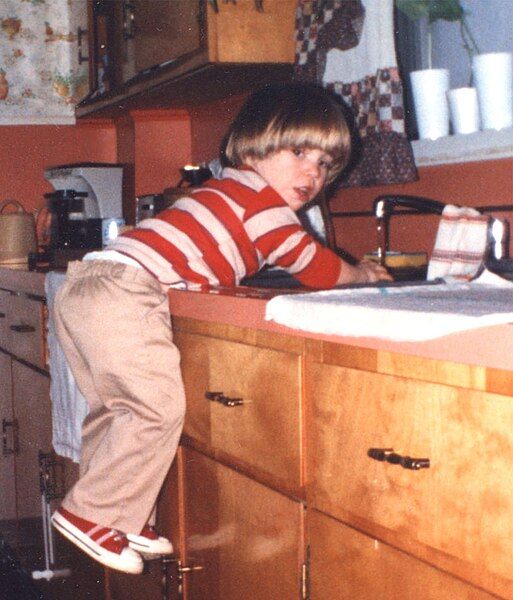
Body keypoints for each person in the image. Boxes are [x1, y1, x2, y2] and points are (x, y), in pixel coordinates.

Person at [50, 82, 391, 575]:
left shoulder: (231, 192)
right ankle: (88, 514)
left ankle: (120, 515)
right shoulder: (259, 198)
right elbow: (311, 266)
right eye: (299, 152)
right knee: (156, 409)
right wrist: (361, 273)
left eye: (324, 164)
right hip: (124, 292)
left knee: (117, 410)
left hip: (91, 287)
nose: (312, 173)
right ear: (255, 146)